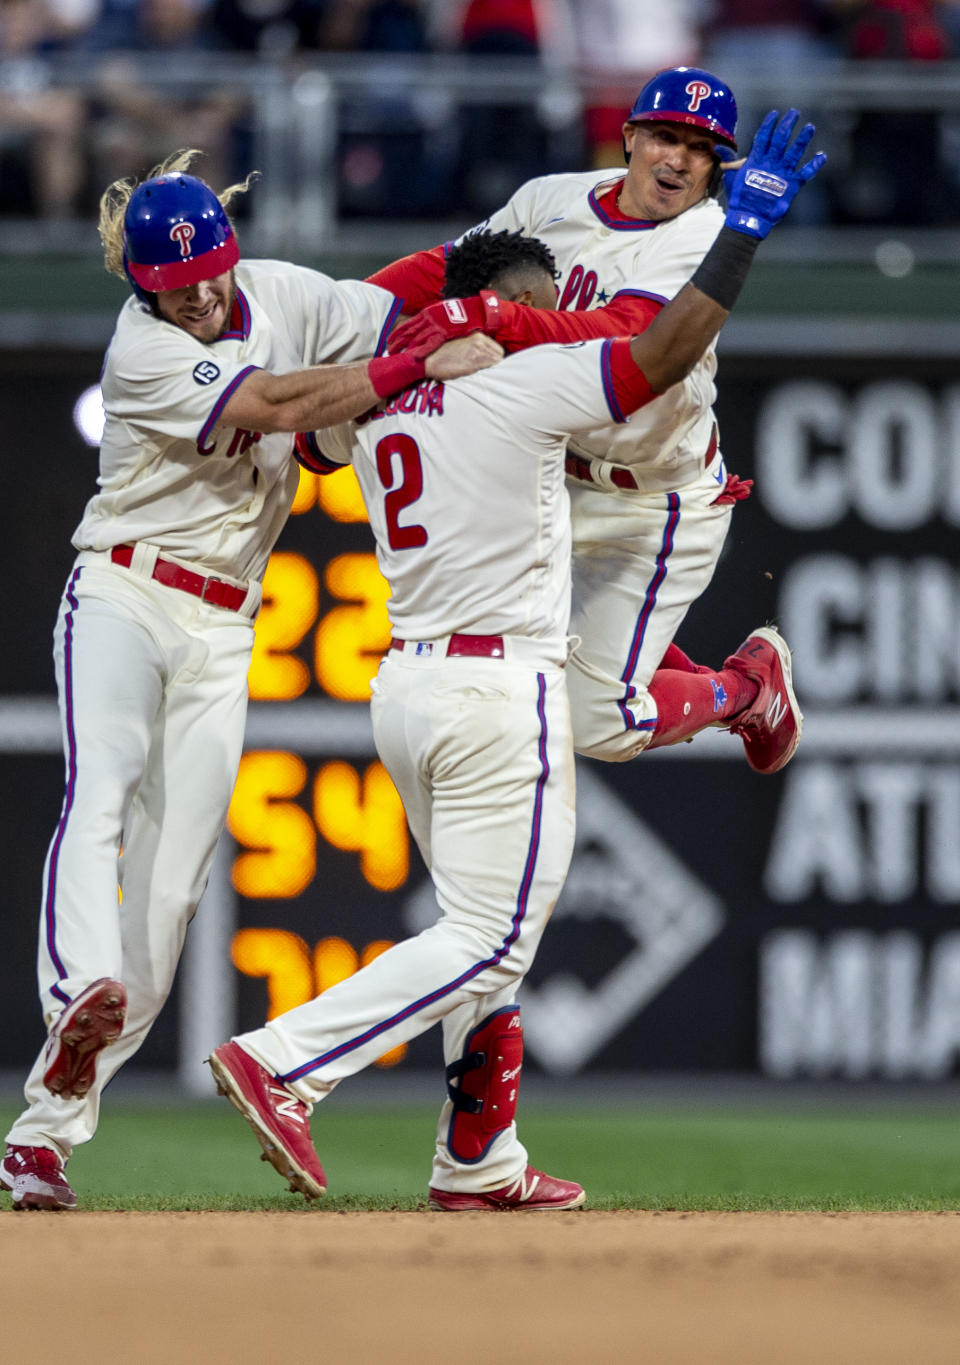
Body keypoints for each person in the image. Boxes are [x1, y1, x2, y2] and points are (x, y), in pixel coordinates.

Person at [207, 112, 825, 1211]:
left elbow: (308, 430)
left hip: (408, 676)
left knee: (478, 927)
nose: (555, 319)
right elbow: (646, 358)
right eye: (546, 303)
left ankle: (478, 1160)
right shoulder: (530, 383)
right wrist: (509, 318)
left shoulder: (385, 397)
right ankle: (285, 1061)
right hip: (506, 682)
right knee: (493, 930)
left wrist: (394, 342)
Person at [0, 149, 498, 1213]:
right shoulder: (141, 350)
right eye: (179, 284)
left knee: (173, 895)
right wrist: (412, 366)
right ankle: (71, 990)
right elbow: (275, 404)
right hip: (125, 591)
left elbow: (379, 297)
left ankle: (42, 1131)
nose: (203, 291)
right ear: (141, 287)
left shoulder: (271, 290)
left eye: (213, 269)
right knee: (101, 793)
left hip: (228, 621)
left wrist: (476, 262)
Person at [370, 65, 806, 776]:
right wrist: (351, 311)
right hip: (548, 473)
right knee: (507, 658)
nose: (679, 160)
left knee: (598, 721)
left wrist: (492, 316)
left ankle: (746, 690)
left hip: (647, 497)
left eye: (701, 149)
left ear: (717, 167)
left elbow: (626, 341)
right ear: (629, 137)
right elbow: (445, 270)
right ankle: (650, 658)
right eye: (666, 136)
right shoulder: (554, 198)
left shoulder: (703, 234)